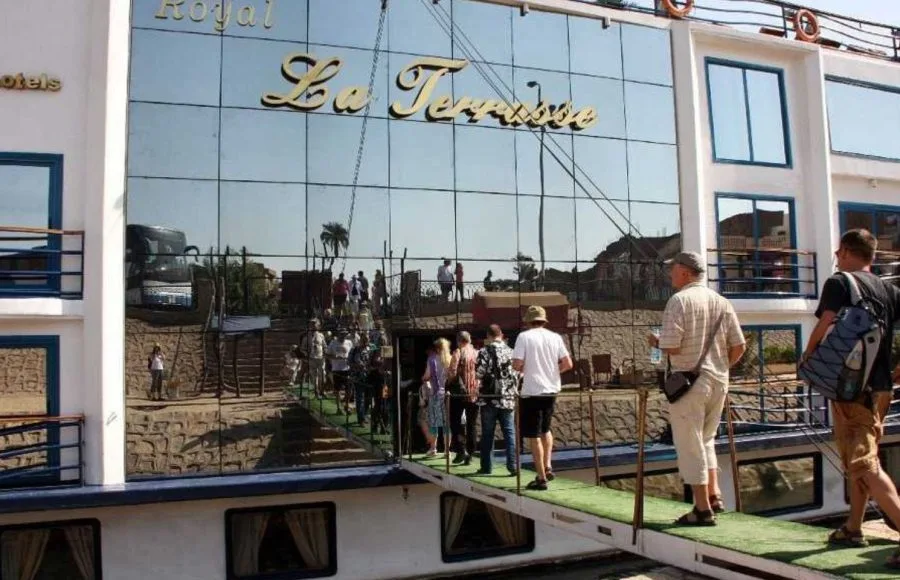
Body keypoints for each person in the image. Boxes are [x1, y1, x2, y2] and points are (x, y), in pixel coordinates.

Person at [802, 230, 900, 566]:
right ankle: (853, 527)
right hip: (882, 388)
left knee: (864, 463)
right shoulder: (889, 290)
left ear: (844, 251)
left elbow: (825, 324)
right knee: (862, 458)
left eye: (838, 252)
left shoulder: (839, 282)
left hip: (851, 389)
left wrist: (808, 357)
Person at [648, 251, 746, 526]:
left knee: (689, 443)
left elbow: (672, 346)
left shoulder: (679, 301)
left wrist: (655, 342)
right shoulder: (722, 302)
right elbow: (739, 346)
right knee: (706, 439)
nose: (670, 274)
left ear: (684, 272)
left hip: (690, 383)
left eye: (673, 269)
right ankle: (715, 496)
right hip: (719, 381)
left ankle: (702, 509)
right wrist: (721, 367)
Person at [513, 305, 573, 490]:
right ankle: (548, 466)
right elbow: (568, 363)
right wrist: (553, 372)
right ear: (543, 320)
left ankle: (541, 478)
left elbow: (517, 364)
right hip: (551, 389)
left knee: (534, 435)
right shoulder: (555, 337)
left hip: (532, 390)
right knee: (546, 429)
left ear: (528, 321)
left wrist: (524, 369)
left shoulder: (524, 337)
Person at [475, 325, 518, 476]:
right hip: (508, 398)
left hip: (489, 399)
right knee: (509, 432)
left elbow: (478, 374)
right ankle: (512, 466)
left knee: (487, 433)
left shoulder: (484, 351)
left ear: (488, 336)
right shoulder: (511, 352)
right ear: (502, 335)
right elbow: (517, 373)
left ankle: (487, 467)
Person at [448, 331, 480, 465]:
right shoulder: (477, 353)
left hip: (459, 394)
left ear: (458, 341)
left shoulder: (458, 352)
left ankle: (461, 450)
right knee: (472, 424)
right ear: (469, 340)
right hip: (474, 394)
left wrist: (449, 382)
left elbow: (452, 372)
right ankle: (471, 454)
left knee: (455, 422)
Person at [422, 338, 451, 456]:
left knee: (434, 423)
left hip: (436, 394)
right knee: (447, 423)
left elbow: (426, 376)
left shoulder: (432, 359)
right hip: (448, 395)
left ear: (437, 348)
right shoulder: (450, 359)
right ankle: (447, 451)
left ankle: (433, 448)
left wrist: (423, 379)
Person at [327, 330, 354, 414]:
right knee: (337, 389)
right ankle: (338, 408)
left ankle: (347, 405)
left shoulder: (349, 342)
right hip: (336, 369)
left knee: (349, 389)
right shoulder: (333, 343)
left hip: (347, 368)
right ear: (338, 334)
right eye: (342, 334)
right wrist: (334, 357)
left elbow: (352, 354)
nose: (343, 335)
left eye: (345, 334)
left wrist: (351, 362)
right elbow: (327, 355)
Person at [350, 334, 373, 426]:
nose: (365, 342)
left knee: (368, 398)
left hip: (369, 377)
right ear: (360, 340)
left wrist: (369, 367)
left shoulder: (370, 350)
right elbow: (349, 362)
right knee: (360, 398)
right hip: (358, 377)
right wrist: (358, 366)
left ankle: (364, 415)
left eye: (367, 340)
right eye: (364, 340)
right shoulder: (354, 350)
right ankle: (361, 419)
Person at [301, 319, 327, 399]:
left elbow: (325, 346)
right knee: (314, 376)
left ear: (318, 326)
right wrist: (306, 354)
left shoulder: (321, 335)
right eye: (311, 324)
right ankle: (316, 392)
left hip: (321, 358)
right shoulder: (306, 337)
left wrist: (325, 353)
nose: (313, 325)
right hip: (311, 359)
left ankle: (322, 391)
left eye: (314, 324)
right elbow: (302, 348)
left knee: (322, 375)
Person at [369, 351, 391, 435]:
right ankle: (375, 426)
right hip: (377, 384)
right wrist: (382, 366)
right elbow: (376, 366)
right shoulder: (376, 353)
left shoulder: (388, 354)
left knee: (385, 407)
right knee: (378, 406)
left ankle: (384, 427)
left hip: (385, 386)